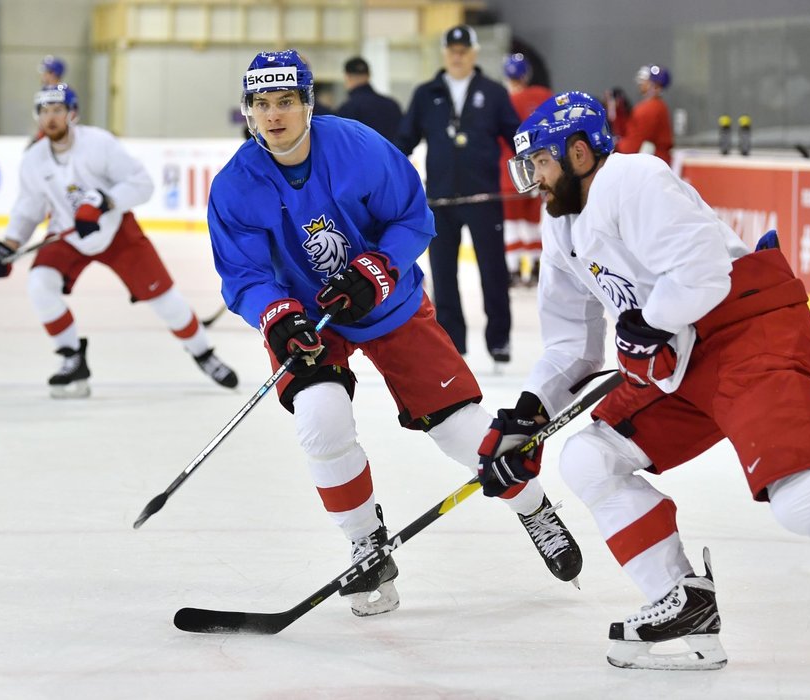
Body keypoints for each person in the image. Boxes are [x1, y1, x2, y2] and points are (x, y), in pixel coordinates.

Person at [208, 49, 582, 618]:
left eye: (285, 101)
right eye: (261, 104)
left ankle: (532, 506)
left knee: (462, 433)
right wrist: (277, 315)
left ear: (307, 103)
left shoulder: (357, 146)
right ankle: (366, 545)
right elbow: (244, 274)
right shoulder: (236, 184)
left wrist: (380, 267)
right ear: (248, 112)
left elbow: (414, 219)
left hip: (391, 304)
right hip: (313, 322)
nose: (274, 115)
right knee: (320, 419)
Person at [489, 90, 810, 670]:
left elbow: (704, 274)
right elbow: (568, 344)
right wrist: (528, 412)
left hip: (747, 338)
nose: (535, 180)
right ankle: (681, 602)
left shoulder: (631, 179)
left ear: (579, 154)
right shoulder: (561, 230)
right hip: (680, 365)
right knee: (588, 458)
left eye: (542, 164)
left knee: (803, 500)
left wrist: (647, 325)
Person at [0, 84, 239, 397]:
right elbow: (28, 209)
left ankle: (203, 354)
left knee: (166, 301)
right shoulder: (33, 159)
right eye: (44, 111)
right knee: (39, 284)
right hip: (68, 235)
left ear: (71, 113)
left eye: (57, 110)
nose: (51, 118)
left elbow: (143, 185)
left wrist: (105, 202)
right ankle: (71, 357)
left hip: (117, 233)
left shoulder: (98, 144)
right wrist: (7, 247)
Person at [396, 25, 521, 363]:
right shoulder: (426, 93)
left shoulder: (493, 92)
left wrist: (537, 167)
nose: (457, 55)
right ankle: (453, 340)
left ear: (474, 53)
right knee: (444, 276)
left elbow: (516, 137)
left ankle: (499, 340)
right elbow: (404, 140)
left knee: (493, 272)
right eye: (452, 49)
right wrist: (385, 172)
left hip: (484, 200)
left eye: (464, 49)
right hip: (439, 201)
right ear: (444, 53)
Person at [498, 53, 552, 286]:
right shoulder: (544, 96)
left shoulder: (503, 100)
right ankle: (537, 266)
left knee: (512, 224)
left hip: (509, 172)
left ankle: (513, 271)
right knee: (532, 223)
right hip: (541, 170)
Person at [336, 56, 402, 145]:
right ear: (369, 75)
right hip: (389, 158)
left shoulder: (348, 108)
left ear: (347, 76)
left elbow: (342, 143)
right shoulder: (392, 105)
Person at [615, 65, 673, 164]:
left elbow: (636, 140)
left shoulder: (649, 108)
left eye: (646, 81)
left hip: (653, 163)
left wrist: (616, 148)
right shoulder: (657, 106)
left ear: (655, 85)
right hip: (657, 161)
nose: (641, 83)